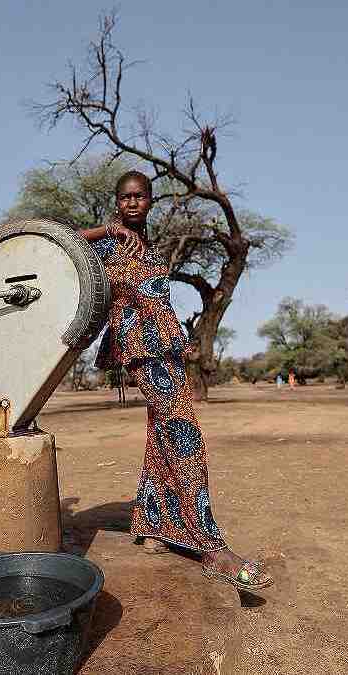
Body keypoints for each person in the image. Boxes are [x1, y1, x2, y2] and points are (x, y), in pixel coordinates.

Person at [77, 171, 273, 591]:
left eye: (140, 196)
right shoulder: (108, 241)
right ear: (117, 202)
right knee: (185, 433)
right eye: (125, 197)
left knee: (160, 433)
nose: (132, 203)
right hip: (138, 347)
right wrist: (104, 229)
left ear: (150, 201)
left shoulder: (149, 245)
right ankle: (210, 546)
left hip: (164, 345)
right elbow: (63, 242)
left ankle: (152, 523)